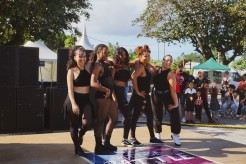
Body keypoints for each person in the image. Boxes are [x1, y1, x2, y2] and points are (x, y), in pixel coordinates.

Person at [63, 46, 94, 157]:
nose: (82, 58)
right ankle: (77, 147)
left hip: (86, 99)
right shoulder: (71, 71)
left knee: (87, 123)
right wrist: (73, 103)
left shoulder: (89, 67)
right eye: (80, 56)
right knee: (74, 124)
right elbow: (70, 89)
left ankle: (81, 134)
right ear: (74, 57)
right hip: (74, 99)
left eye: (84, 56)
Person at [129, 45, 163, 146]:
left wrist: (147, 62)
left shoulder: (145, 65)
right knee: (135, 116)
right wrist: (137, 91)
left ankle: (152, 137)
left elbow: (155, 69)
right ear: (140, 56)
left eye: (148, 56)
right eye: (145, 56)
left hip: (145, 95)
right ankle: (132, 138)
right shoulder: (141, 66)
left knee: (150, 116)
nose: (147, 58)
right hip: (140, 95)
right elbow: (133, 78)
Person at [90, 44, 118, 154]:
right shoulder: (97, 65)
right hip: (102, 97)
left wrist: (113, 96)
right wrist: (105, 90)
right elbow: (92, 83)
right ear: (98, 52)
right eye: (105, 52)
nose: (107, 54)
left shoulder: (104, 63)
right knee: (100, 121)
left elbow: (110, 81)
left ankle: (106, 143)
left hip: (109, 96)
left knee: (114, 119)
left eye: (108, 52)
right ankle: (98, 146)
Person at [151, 55, 181, 146]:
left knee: (175, 114)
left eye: (171, 61)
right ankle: (158, 132)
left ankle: (175, 134)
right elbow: (145, 62)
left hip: (167, 94)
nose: (169, 62)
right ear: (162, 61)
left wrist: (176, 104)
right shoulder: (156, 70)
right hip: (156, 93)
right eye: (167, 60)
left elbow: (173, 91)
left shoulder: (170, 74)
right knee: (157, 113)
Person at [111, 47, 133, 147]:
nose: (123, 55)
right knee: (111, 118)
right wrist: (114, 97)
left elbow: (138, 61)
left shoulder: (127, 66)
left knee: (128, 116)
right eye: (120, 54)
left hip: (124, 91)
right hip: (116, 91)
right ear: (117, 54)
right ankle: (104, 140)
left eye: (124, 54)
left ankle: (125, 139)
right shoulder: (114, 66)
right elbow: (110, 83)